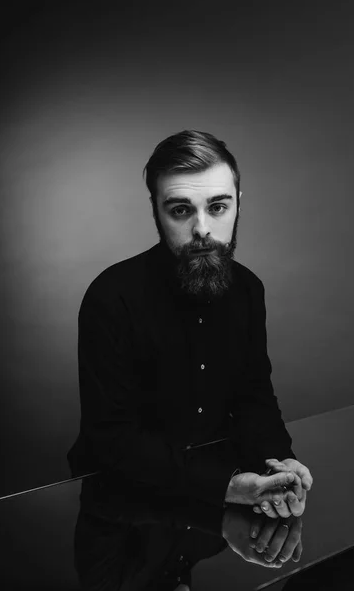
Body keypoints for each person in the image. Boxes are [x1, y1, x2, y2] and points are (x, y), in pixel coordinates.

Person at [67, 129, 313, 521]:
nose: (202, 228)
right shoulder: (110, 297)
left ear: (237, 205)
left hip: (217, 497)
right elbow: (113, 439)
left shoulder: (249, 289)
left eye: (217, 207)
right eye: (181, 209)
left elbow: (254, 399)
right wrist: (228, 487)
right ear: (156, 211)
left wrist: (281, 463)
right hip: (120, 503)